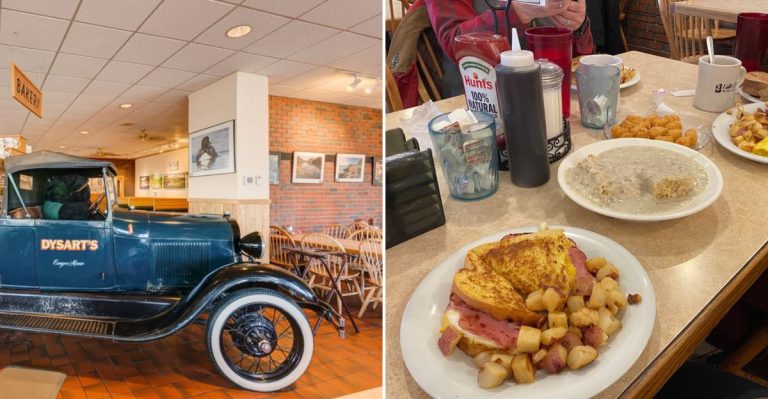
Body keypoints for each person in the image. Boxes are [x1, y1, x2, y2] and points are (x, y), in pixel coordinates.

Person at [388, 0, 594, 105]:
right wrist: (516, 13)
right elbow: (457, 43)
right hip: (479, 107)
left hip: (548, 96)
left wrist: (579, 23)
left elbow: (581, 53)